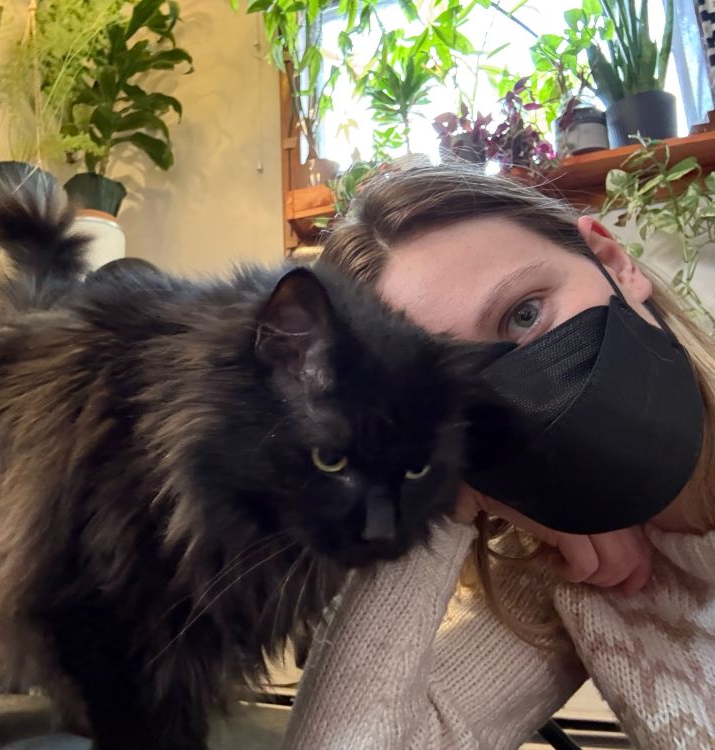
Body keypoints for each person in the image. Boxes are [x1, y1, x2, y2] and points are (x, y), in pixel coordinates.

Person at [281, 165, 715, 749]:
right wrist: (443, 496)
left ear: (613, 262)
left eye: (525, 314)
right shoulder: (567, 577)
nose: (517, 396)